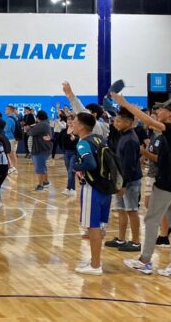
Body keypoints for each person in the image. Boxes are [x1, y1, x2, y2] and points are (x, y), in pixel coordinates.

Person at [114, 95, 171, 280]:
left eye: (162, 109)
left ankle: (145, 260)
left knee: (151, 220)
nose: (157, 112)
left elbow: (146, 119)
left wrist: (125, 104)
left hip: (166, 184)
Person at [69, 112, 112, 275]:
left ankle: (95, 265)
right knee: (100, 227)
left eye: (74, 122)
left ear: (81, 126)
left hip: (92, 188)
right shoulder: (99, 139)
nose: (72, 124)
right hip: (105, 188)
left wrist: (75, 167)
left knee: (92, 228)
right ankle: (96, 260)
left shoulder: (83, 144)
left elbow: (91, 164)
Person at [104, 108, 142, 252]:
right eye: (115, 121)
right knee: (121, 209)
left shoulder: (131, 139)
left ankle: (136, 242)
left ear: (128, 122)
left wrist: (123, 184)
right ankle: (121, 239)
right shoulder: (123, 136)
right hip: (121, 180)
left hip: (130, 182)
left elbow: (129, 166)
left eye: (119, 121)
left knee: (132, 210)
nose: (116, 123)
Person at [141, 107, 171, 248]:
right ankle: (165, 228)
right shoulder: (154, 136)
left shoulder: (162, 138)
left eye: (154, 119)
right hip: (151, 173)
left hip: (159, 175)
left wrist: (144, 153)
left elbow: (160, 158)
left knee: (158, 207)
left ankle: (164, 235)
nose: (151, 121)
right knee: (149, 204)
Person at [28, 110, 53, 191]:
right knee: (43, 166)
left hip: (40, 149)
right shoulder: (46, 124)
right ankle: (46, 181)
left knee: (40, 168)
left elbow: (30, 132)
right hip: (44, 148)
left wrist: (29, 128)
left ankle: (40, 185)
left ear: (38, 117)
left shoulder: (41, 125)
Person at [61, 112, 79, 196]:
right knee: (70, 172)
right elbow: (57, 139)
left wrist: (75, 139)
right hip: (66, 153)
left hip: (74, 153)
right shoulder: (64, 130)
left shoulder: (77, 131)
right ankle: (72, 189)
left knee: (70, 171)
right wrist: (50, 140)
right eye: (68, 120)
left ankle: (69, 188)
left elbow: (80, 139)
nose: (70, 121)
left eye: (72, 120)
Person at [4, 105, 21, 174]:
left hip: (10, 138)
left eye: (7, 109)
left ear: (10, 110)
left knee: (10, 153)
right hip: (15, 138)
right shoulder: (15, 117)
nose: (5, 111)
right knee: (13, 153)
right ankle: (14, 168)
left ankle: (12, 167)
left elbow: (7, 129)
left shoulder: (9, 118)